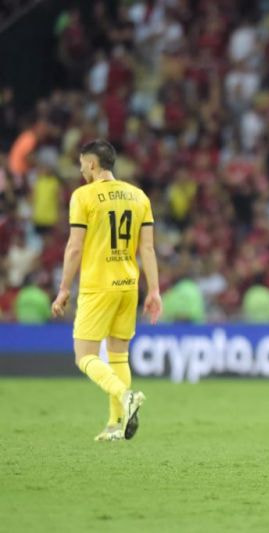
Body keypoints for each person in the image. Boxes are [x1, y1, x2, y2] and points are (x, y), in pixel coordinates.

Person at [51, 139, 162, 441]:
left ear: (92, 164)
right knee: (118, 356)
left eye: (82, 163)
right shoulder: (139, 196)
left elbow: (75, 248)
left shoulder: (83, 196)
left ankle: (125, 397)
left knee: (84, 355)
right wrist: (154, 290)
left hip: (98, 285)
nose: (80, 168)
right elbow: (148, 248)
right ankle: (115, 424)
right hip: (129, 285)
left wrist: (63, 289)